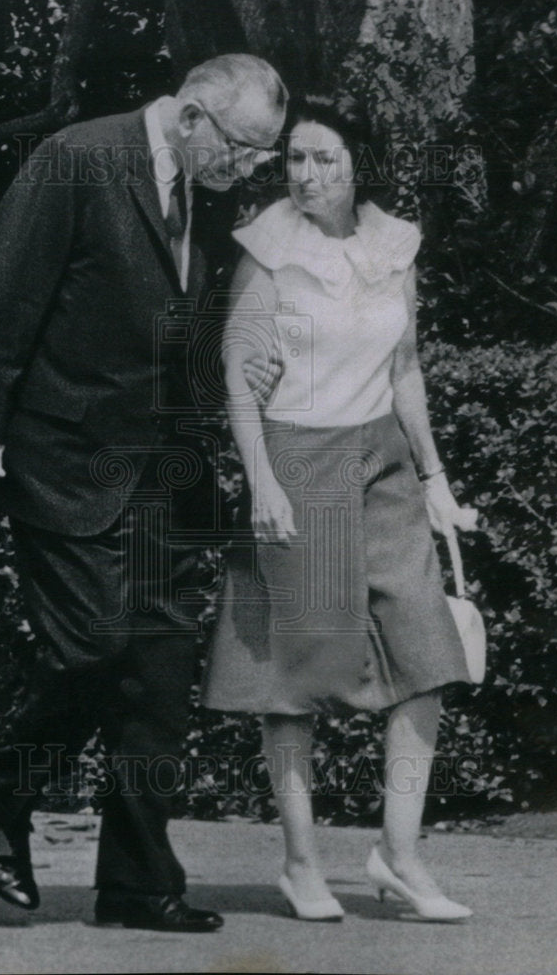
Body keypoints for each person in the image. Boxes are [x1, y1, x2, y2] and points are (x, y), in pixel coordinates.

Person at [0, 55, 287, 932]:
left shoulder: (210, 193)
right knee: (91, 649)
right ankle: (2, 788)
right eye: (244, 148)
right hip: (65, 453)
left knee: (160, 680)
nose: (249, 169)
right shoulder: (78, 158)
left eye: (262, 156)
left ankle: (139, 884)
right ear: (192, 117)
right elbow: (2, 289)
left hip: (166, 472)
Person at [202, 96, 478, 922]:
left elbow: (406, 369)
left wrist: (437, 481)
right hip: (298, 462)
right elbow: (240, 377)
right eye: (295, 159)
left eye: (325, 159)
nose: (308, 175)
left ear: (361, 166)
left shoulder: (393, 247)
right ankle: (299, 864)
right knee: (293, 681)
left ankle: (399, 856)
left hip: (385, 467)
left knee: (428, 659)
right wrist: (263, 482)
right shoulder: (266, 253)